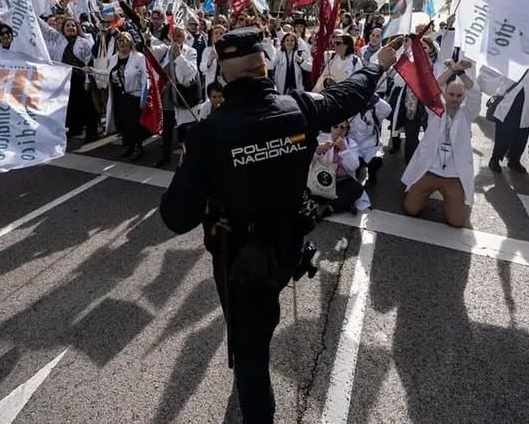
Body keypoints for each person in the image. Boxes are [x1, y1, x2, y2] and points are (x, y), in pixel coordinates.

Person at [159, 27, 399, 423]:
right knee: (262, 318)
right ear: (264, 64)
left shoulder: (208, 134)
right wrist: (377, 65)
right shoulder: (299, 108)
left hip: (240, 264)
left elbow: (175, 217)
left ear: (222, 72)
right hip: (287, 250)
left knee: (251, 359)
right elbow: (351, 94)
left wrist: (190, 162)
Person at [401, 63, 475, 228]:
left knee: (457, 222)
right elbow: (430, 87)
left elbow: (475, 93)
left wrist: (461, 73)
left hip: (453, 176)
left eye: (459, 96)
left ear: (464, 97)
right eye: (451, 94)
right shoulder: (435, 110)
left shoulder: (467, 114)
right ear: (444, 94)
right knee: (411, 209)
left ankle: (451, 201)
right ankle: (423, 196)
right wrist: (452, 70)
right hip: (430, 170)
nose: (454, 99)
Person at [149, 25, 199, 168]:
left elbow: (190, 73)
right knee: (167, 128)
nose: (176, 39)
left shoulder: (191, 52)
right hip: (168, 96)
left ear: (185, 37)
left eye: (179, 35)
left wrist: (179, 56)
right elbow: (151, 47)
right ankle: (165, 157)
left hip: (183, 94)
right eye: (174, 35)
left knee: (184, 129)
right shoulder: (165, 50)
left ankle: (187, 158)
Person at [106, 31, 150, 160]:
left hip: (134, 95)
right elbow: (107, 74)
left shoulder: (138, 57)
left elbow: (144, 77)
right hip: (119, 95)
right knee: (123, 122)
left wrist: (143, 97)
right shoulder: (114, 58)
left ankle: (138, 147)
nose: (122, 43)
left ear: (131, 42)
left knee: (134, 123)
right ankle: (128, 146)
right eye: (119, 41)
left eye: (125, 40)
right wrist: (92, 71)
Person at [488, 70, 529, 174]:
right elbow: (501, 77)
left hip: (527, 106)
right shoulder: (515, 59)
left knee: (521, 137)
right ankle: (495, 159)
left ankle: (514, 161)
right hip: (509, 104)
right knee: (503, 135)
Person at [59, 18, 98, 140]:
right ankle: (74, 128)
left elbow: (88, 59)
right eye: (67, 26)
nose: (70, 28)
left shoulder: (84, 42)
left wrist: (87, 75)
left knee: (87, 106)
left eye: (73, 26)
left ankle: (91, 131)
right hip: (66, 78)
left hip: (81, 77)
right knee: (71, 105)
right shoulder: (59, 42)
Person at [347, 93, 392, 187]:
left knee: (376, 161)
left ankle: (372, 177)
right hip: (353, 146)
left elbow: (387, 110)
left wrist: (376, 99)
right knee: (353, 166)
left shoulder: (373, 110)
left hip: (371, 146)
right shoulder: (348, 111)